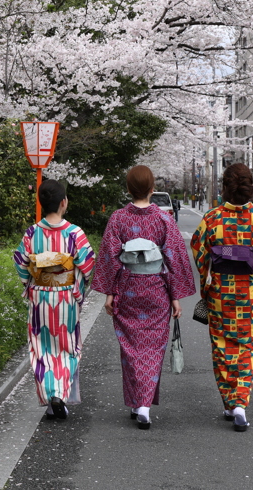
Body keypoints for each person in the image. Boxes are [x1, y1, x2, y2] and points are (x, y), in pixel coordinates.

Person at [92, 165, 196, 430]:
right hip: (156, 290)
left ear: (128, 189)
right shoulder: (163, 220)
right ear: (152, 190)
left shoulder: (118, 218)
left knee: (130, 347)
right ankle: (144, 405)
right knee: (152, 347)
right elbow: (173, 259)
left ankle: (138, 402)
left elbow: (110, 258)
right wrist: (175, 297)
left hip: (128, 288)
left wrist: (110, 293)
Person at [191, 163, 253, 433]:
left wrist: (209, 278)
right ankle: (240, 403)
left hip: (221, 294)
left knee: (222, 346)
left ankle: (229, 402)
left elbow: (199, 252)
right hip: (251, 295)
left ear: (224, 187)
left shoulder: (212, 219)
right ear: (251, 188)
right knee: (247, 348)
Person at [14, 179, 95, 420]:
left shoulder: (32, 232)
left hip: (40, 297)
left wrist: (32, 283)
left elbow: (21, 262)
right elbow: (88, 264)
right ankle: (59, 392)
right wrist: (77, 283)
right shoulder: (74, 233)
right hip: (65, 299)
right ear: (63, 202)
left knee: (41, 349)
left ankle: (51, 396)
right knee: (68, 347)